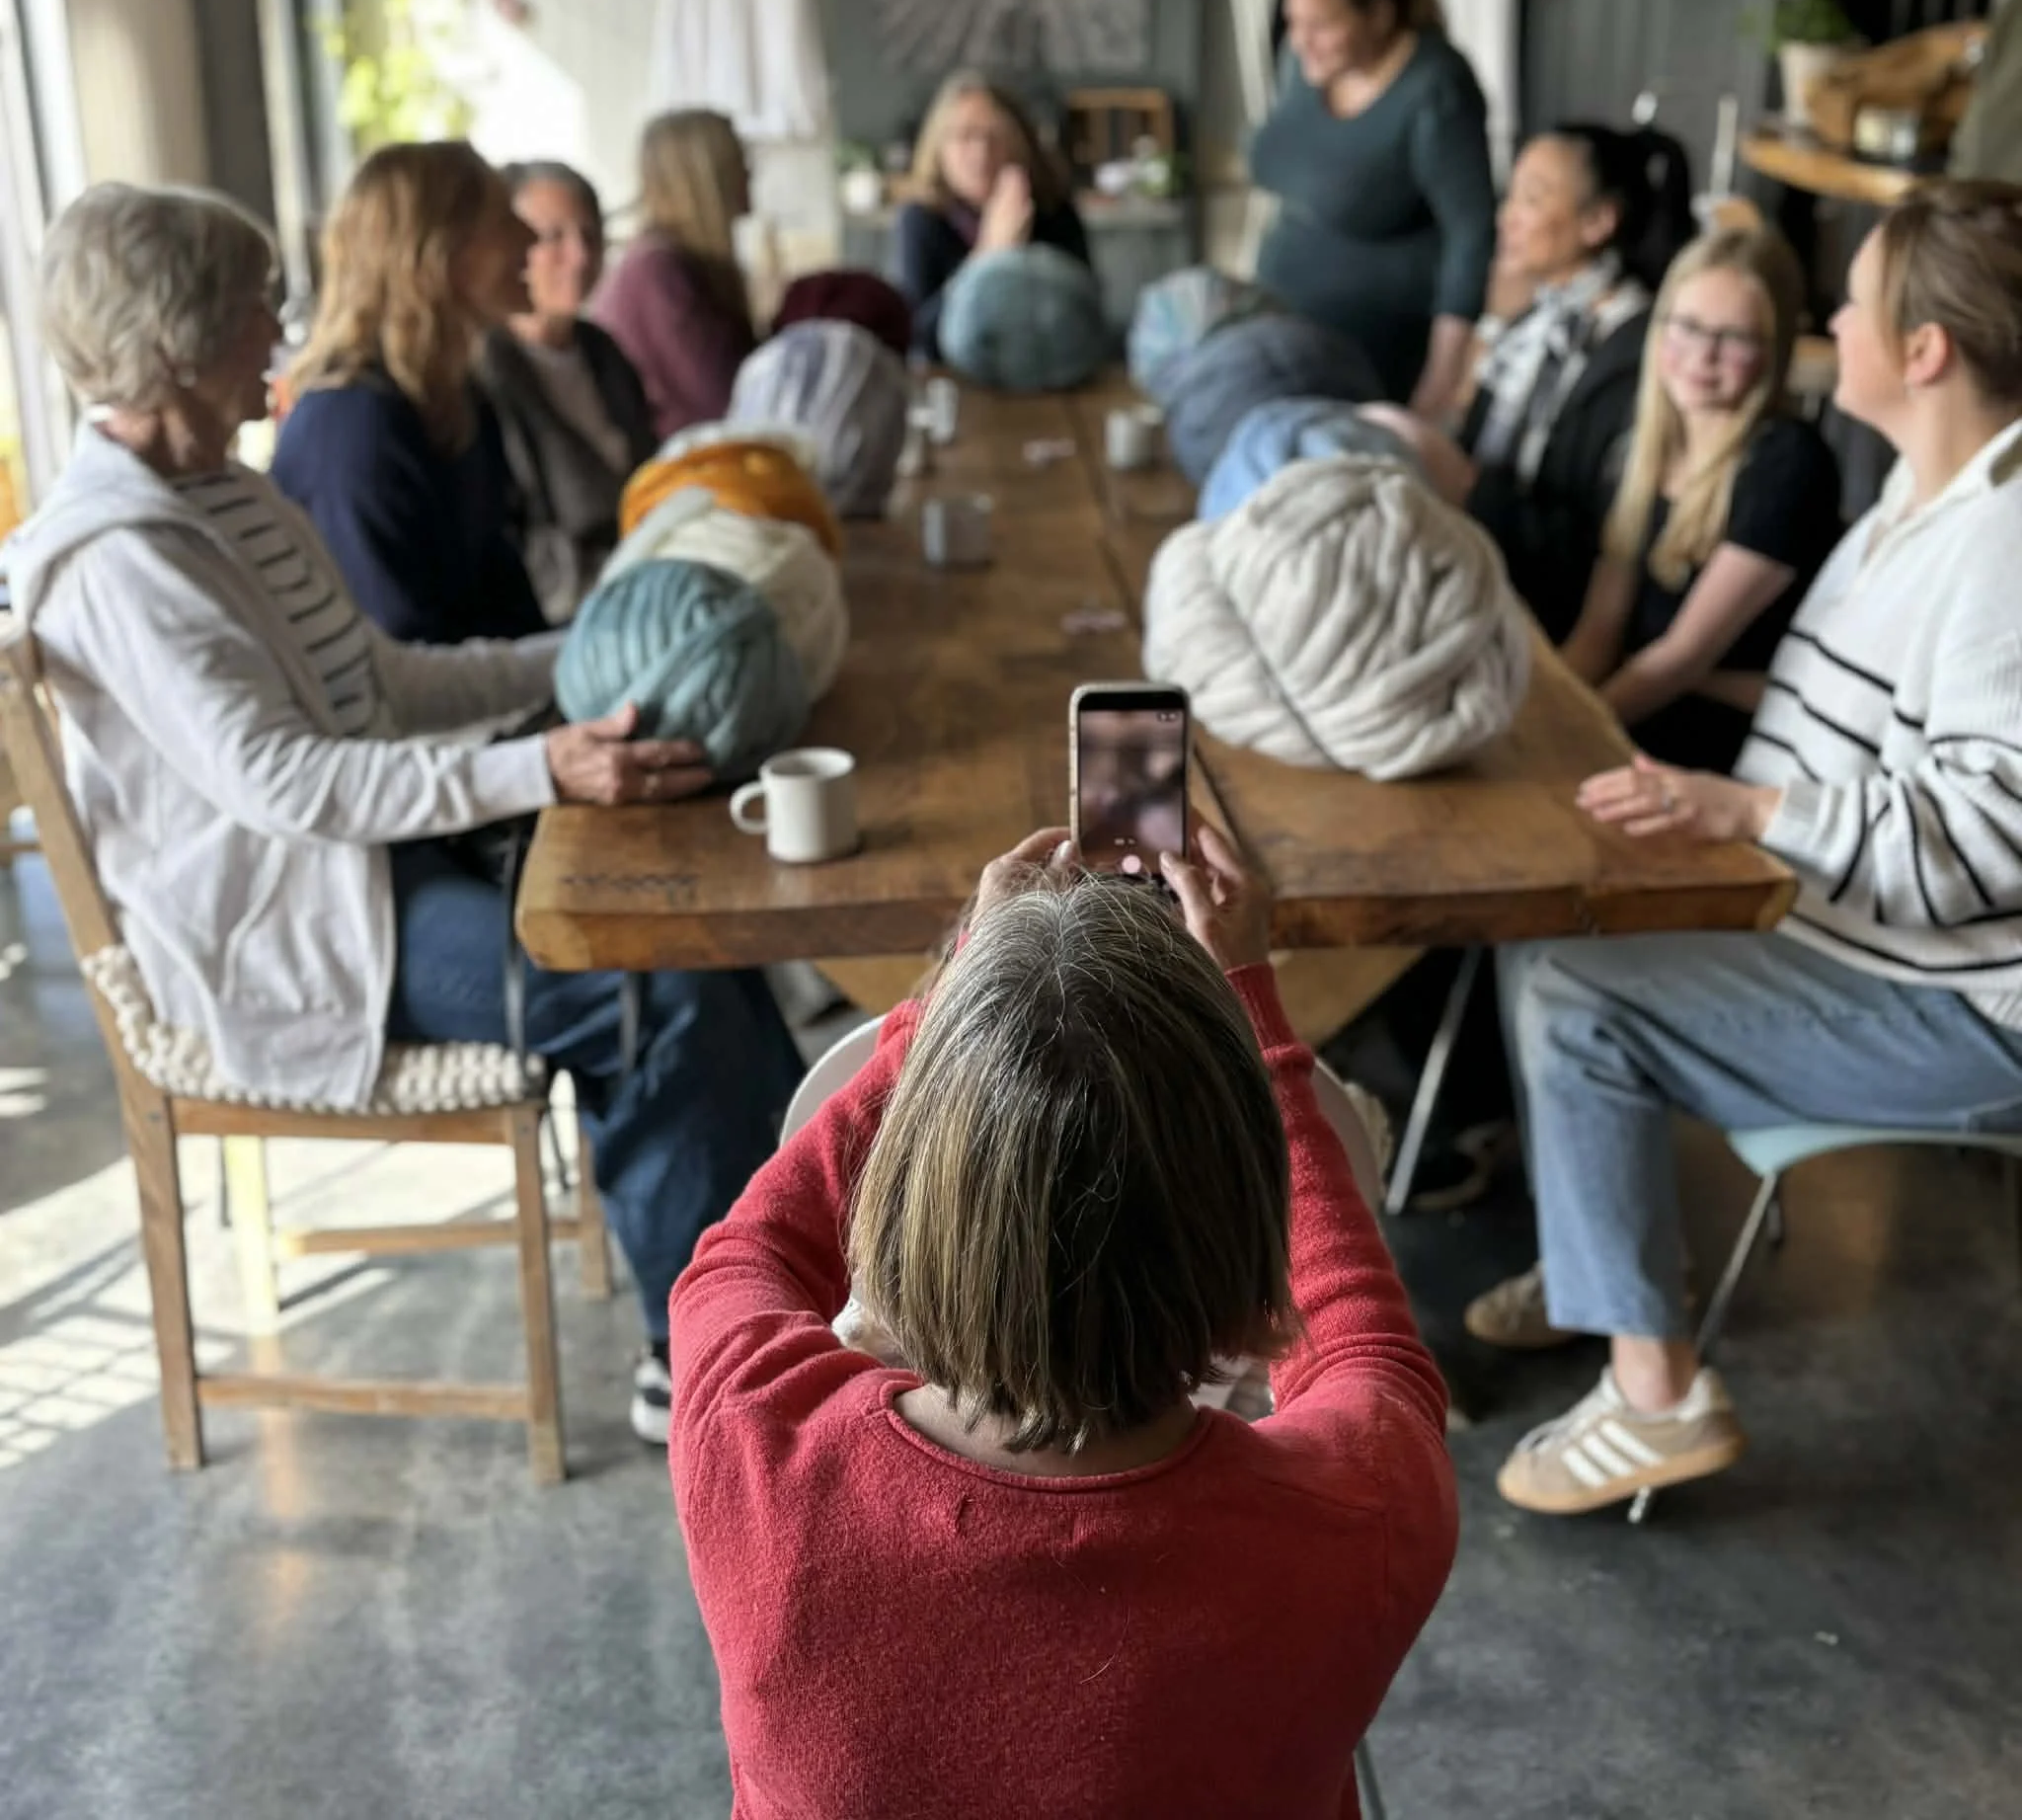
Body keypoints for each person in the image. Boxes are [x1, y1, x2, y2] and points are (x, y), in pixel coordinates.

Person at [7, 182, 804, 1447]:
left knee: (700, 936)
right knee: (648, 988)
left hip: (380, 870)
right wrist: (544, 767)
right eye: (253, 305)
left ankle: (788, 1280)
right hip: (299, 938)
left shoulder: (226, 494)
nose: (277, 330)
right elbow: (291, 783)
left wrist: (580, 653)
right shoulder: (116, 555)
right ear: (176, 338)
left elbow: (382, 682)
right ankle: (695, 1359)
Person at [668, 824, 1456, 1817]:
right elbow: (1363, 1342)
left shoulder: (750, 1448)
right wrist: (1249, 1004)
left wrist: (956, 1005)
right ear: (1250, 1253)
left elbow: (748, 1252)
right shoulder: (1359, 1516)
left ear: (899, 1201)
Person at [1477, 180, 2022, 1515]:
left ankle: (1654, 1396)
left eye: (1853, 301)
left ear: (1924, 350)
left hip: (1960, 1007)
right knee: (1546, 928)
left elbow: (1991, 836)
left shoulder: (2004, 544)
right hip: (1851, 934)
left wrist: (1747, 812)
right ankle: (1610, 1260)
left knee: (1574, 991)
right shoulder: (1919, 496)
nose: (1830, 322)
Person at [1556, 226, 1842, 776]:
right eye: (1686, 327)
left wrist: (1568, 744)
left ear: (1774, 349)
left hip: (1719, 758)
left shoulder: (1788, 462)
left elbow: (1682, 658)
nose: (1702, 357)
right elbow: (1598, 636)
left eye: (1734, 338)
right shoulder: (1642, 448)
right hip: (1636, 726)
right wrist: (1535, 720)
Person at [273, 141, 549, 646]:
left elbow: (507, 609)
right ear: (436, 255)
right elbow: (398, 652)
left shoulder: (456, 401)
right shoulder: (351, 427)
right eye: (502, 222)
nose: (531, 237)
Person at [1249, 0, 1497, 416]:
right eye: (1293, 22)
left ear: (1379, 16)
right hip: (1283, 318)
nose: (1301, 41)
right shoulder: (1301, 64)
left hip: (1375, 346)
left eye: (1321, 25)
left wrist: (1442, 379)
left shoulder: (1436, 88)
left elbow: (1471, 234)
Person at [1462, 123, 1693, 643]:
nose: (1507, 217)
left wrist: (1466, 486)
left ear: (1598, 222)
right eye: (1511, 195)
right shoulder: (1531, 320)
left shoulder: (1635, 348)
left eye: (1532, 199)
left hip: (1552, 605)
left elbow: (1597, 533)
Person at [477, 160, 659, 623]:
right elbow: (524, 549)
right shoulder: (484, 375)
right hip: (570, 617)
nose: (578, 257)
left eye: (590, 236)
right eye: (552, 237)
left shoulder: (604, 351)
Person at [893, 72, 1092, 363]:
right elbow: (921, 339)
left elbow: (1083, 321)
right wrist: (989, 254)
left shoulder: (1054, 210)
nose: (981, 153)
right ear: (939, 149)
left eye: (995, 136)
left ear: (1021, 143)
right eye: (964, 136)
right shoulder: (921, 219)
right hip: (951, 377)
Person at [591, 109, 757, 440]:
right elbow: (726, 403)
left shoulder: (687, 264)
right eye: (738, 161)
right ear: (705, 178)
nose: (749, 173)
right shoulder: (658, 273)